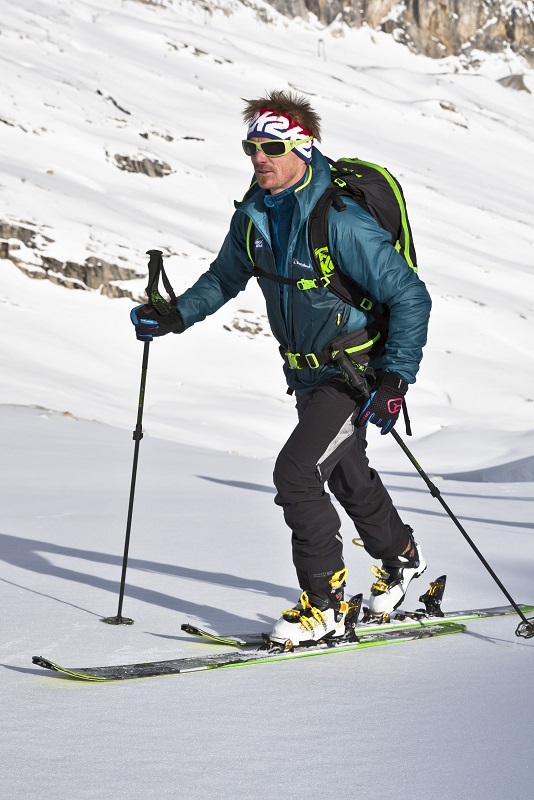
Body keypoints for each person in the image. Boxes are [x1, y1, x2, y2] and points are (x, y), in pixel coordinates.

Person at [130, 90, 432, 646]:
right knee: (345, 472)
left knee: (296, 472)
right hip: (305, 372)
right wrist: (174, 316)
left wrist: (395, 379)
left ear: (303, 147)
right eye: (252, 147)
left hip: (353, 371)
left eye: (272, 146)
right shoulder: (256, 213)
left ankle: (324, 606)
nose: (259, 158)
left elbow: (411, 296)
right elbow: (224, 278)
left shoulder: (339, 222)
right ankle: (401, 559)